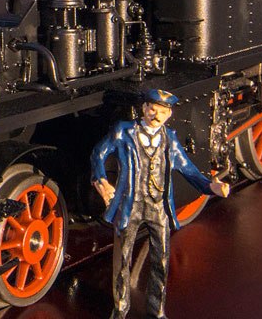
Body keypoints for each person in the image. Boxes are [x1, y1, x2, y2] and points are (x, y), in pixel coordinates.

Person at [91, 89, 231, 319]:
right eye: (152, 109)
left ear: (169, 114)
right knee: (123, 260)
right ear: (144, 108)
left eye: (162, 112)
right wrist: (102, 180)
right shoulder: (123, 131)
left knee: (161, 260)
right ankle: (120, 308)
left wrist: (210, 187)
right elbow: (98, 153)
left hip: (158, 207)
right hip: (130, 205)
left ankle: (157, 310)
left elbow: (188, 169)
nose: (155, 115)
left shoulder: (170, 139)